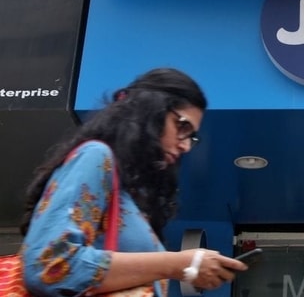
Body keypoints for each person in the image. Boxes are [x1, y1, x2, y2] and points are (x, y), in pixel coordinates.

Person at [19, 67, 247, 296]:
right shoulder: (96, 156)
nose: (185, 145)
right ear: (150, 110)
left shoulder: (129, 192)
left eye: (191, 137)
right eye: (182, 126)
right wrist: (178, 264)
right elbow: (48, 267)